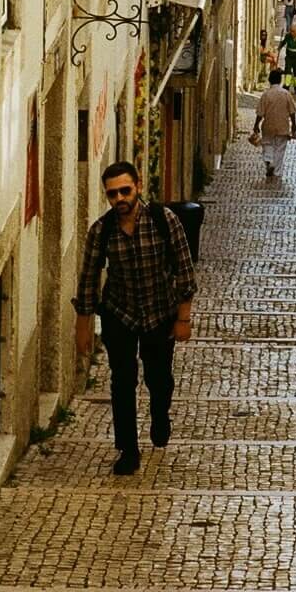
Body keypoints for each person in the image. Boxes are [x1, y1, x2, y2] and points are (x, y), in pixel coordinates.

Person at [73, 161, 197, 476]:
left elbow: (184, 269)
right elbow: (88, 279)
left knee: (159, 379)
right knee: (122, 383)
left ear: (138, 186)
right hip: (121, 314)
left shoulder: (164, 220)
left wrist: (183, 319)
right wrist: (83, 327)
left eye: (124, 191)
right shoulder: (101, 231)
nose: (119, 199)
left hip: (159, 312)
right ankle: (128, 449)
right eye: (112, 194)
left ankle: (159, 414)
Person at [252, 68, 296, 180]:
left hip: (268, 126)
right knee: (280, 149)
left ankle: (269, 161)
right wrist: (294, 125)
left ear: (269, 81)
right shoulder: (286, 94)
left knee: (267, 144)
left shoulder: (266, 95)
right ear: (280, 80)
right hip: (283, 126)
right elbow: (292, 111)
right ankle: (276, 171)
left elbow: (260, 113)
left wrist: (256, 125)